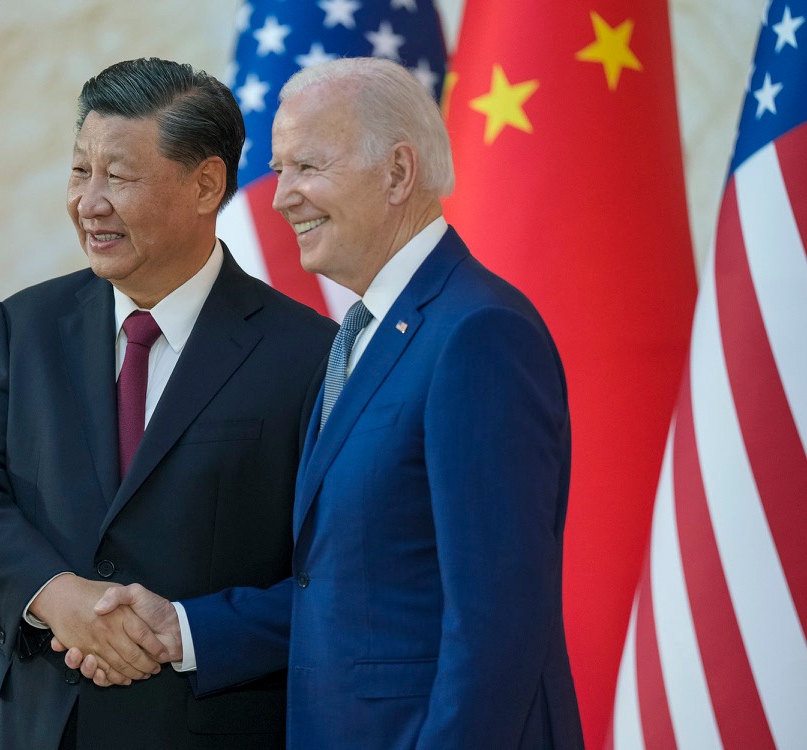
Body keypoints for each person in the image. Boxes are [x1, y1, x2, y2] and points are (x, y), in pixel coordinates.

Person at [74, 57, 585, 748]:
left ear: (398, 173)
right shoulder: (361, 336)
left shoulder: (476, 333)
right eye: (279, 168)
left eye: (306, 167)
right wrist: (185, 629)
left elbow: (498, 623)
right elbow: (347, 588)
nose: (280, 196)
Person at [0, 57, 336, 749]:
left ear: (205, 184)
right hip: (28, 725)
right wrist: (55, 596)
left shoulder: (308, 356)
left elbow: (332, 577)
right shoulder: (25, 327)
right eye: (79, 170)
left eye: (117, 177)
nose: (89, 202)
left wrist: (180, 632)